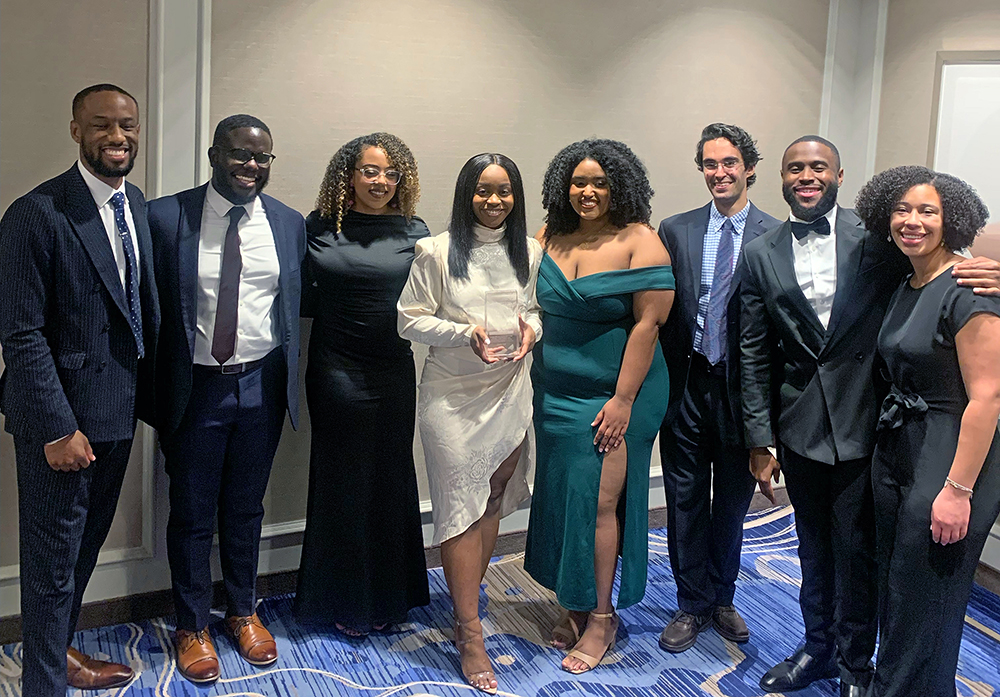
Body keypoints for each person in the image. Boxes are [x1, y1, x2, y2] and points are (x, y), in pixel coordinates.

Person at [739, 136, 1000, 697]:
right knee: (812, 546)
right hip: (802, 428)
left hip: (874, 427)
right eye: (795, 169)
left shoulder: (881, 238)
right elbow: (755, 349)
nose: (806, 177)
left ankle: (860, 667)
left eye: (818, 168)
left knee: (864, 557)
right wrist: (760, 438)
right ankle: (817, 648)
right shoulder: (761, 251)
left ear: (838, 174)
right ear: (778, 177)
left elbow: (955, 272)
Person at [0, 83, 159, 696]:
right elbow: (20, 334)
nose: (118, 137)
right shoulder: (35, 213)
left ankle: (60, 657)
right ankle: (44, 687)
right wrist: (57, 429)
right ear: (75, 131)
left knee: (81, 554)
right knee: (50, 570)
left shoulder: (135, 202)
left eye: (127, 126)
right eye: (101, 126)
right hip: (61, 426)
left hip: (117, 412)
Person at [148, 114, 306, 684]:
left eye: (262, 158)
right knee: (191, 513)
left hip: (260, 385)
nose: (251, 167)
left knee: (246, 507)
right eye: (240, 155)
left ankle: (243, 611)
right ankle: (191, 625)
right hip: (195, 388)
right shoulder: (166, 216)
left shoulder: (288, 223)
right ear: (215, 154)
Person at [524, 139, 675, 674]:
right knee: (566, 497)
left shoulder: (641, 240)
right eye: (579, 182)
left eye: (601, 183)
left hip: (618, 397)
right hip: (555, 392)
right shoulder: (549, 236)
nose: (588, 192)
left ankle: (602, 618)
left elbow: (648, 326)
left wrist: (622, 401)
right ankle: (572, 601)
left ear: (621, 187)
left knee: (600, 504)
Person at [397, 153, 542, 694]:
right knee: (460, 501)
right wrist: (466, 336)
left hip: (509, 386)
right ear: (466, 195)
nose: (494, 200)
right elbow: (408, 318)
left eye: (504, 191)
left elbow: (533, 310)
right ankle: (470, 630)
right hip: (452, 396)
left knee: (494, 492)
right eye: (483, 191)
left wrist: (531, 332)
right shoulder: (435, 250)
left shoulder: (529, 250)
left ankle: (466, 595)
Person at [854, 166, 1000, 697]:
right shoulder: (908, 282)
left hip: (950, 453)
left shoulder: (970, 289)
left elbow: (988, 398)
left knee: (928, 600)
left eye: (928, 211)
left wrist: (958, 491)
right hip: (899, 444)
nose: (912, 221)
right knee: (899, 588)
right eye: (902, 209)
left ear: (952, 220)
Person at [294, 133, 429, 637]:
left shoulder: (417, 230)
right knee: (342, 482)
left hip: (394, 371)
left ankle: (392, 600)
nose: (381, 181)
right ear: (348, 175)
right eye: (371, 171)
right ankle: (345, 602)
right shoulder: (318, 227)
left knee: (392, 479)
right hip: (336, 370)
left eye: (392, 173)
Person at [656, 123, 780, 653]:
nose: (719, 173)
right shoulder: (675, 229)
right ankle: (691, 603)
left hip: (741, 391)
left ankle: (723, 597)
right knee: (684, 499)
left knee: (731, 502)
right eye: (710, 164)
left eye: (729, 163)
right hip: (685, 385)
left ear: (749, 167)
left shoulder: (775, 236)